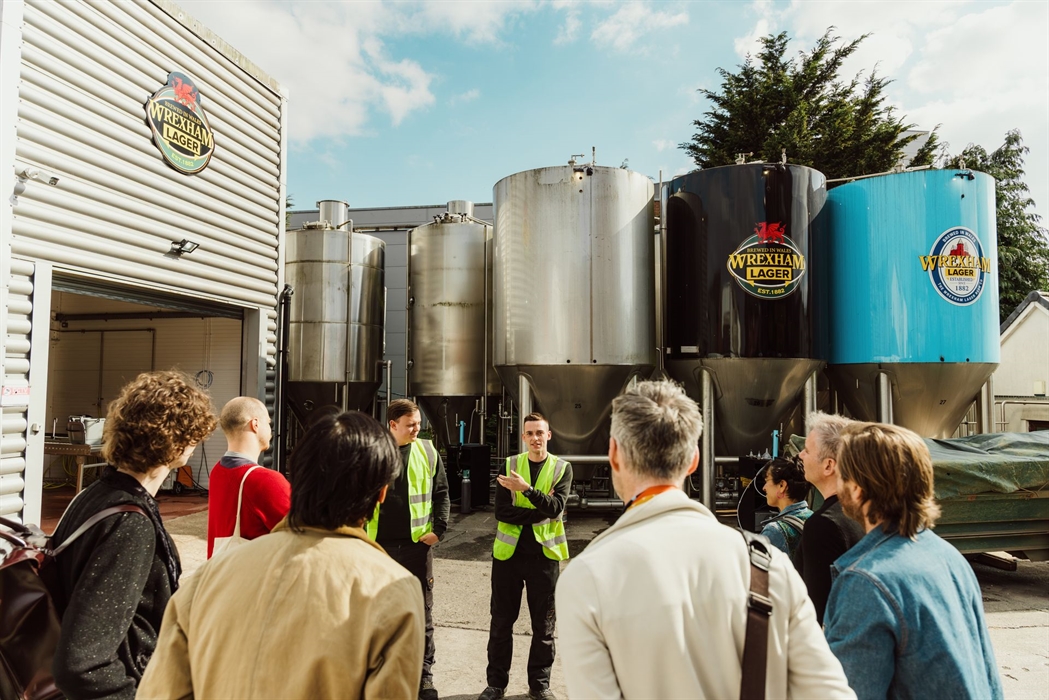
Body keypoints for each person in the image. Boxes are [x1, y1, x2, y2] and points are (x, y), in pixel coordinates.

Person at [556, 380, 855, 700]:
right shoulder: (768, 566)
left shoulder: (585, 579)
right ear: (694, 459)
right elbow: (831, 693)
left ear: (614, 454)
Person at [138, 411, 425, 699]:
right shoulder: (392, 591)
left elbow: (160, 692)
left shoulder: (206, 580)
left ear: (297, 478)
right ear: (381, 493)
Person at [50, 371, 216, 700]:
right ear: (176, 441)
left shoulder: (93, 496)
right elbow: (83, 665)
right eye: (194, 435)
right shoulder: (130, 524)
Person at [824, 422, 1003, 700]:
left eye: (841, 476)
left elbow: (851, 694)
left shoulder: (865, 582)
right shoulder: (949, 557)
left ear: (857, 489)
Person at [479, 412, 572, 700]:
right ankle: (496, 684)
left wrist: (527, 490)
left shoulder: (561, 468)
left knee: (544, 626)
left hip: (544, 558)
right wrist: (539, 511)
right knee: (501, 623)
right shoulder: (510, 465)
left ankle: (539, 685)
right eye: (529, 433)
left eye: (539, 433)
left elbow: (556, 508)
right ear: (523, 436)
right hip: (508, 557)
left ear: (548, 435)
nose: (535, 438)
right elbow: (502, 512)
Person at [365, 398, 449, 700]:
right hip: (378, 549)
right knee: (378, 614)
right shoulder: (372, 452)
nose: (417, 429)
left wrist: (439, 530)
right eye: (411, 425)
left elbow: (442, 493)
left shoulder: (428, 451)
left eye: (419, 424)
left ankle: (424, 678)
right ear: (393, 424)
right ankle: (382, 674)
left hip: (416, 548)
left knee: (422, 615)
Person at [794, 411, 865, 624]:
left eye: (807, 450)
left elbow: (817, 614)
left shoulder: (823, 525)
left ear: (828, 466)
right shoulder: (868, 512)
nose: (801, 455)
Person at [206, 396, 290, 558]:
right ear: (255, 424)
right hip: (256, 573)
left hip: (220, 570)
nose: (271, 431)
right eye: (269, 423)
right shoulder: (265, 480)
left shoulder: (217, 471)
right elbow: (305, 533)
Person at [759, 456, 813, 560]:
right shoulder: (814, 518)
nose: (764, 488)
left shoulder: (774, 531)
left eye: (767, 480)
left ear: (782, 485)